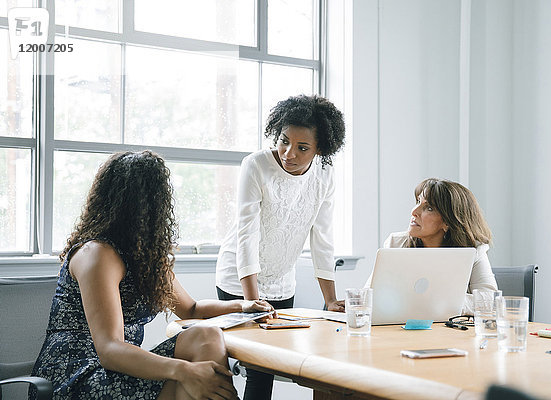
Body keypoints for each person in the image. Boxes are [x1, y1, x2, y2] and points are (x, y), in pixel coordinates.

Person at [30, 150, 273, 400]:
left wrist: (242, 306)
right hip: (77, 377)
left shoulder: (143, 256)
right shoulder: (97, 254)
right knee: (188, 383)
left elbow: (191, 309)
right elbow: (109, 349)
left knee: (206, 337)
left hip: (116, 371)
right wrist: (184, 370)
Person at [215, 94, 346, 399]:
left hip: (283, 282)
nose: (289, 153)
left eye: (303, 148)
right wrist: (252, 303)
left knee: (267, 371)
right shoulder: (256, 165)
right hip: (239, 277)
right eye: (283, 141)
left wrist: (331, 300)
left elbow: (322, 237)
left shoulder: (325, 175)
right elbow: (247, 234)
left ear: (320, 149)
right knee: (252, 363)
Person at [380, 177, 498, 315]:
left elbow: (490, 301)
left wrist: (442, 301)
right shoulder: (395, 243)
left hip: (450, 333)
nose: (414, 211)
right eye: (418, 201)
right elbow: (373, 295)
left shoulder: (473, 249)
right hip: (401, 329)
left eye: (428, 208)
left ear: (448, 222)